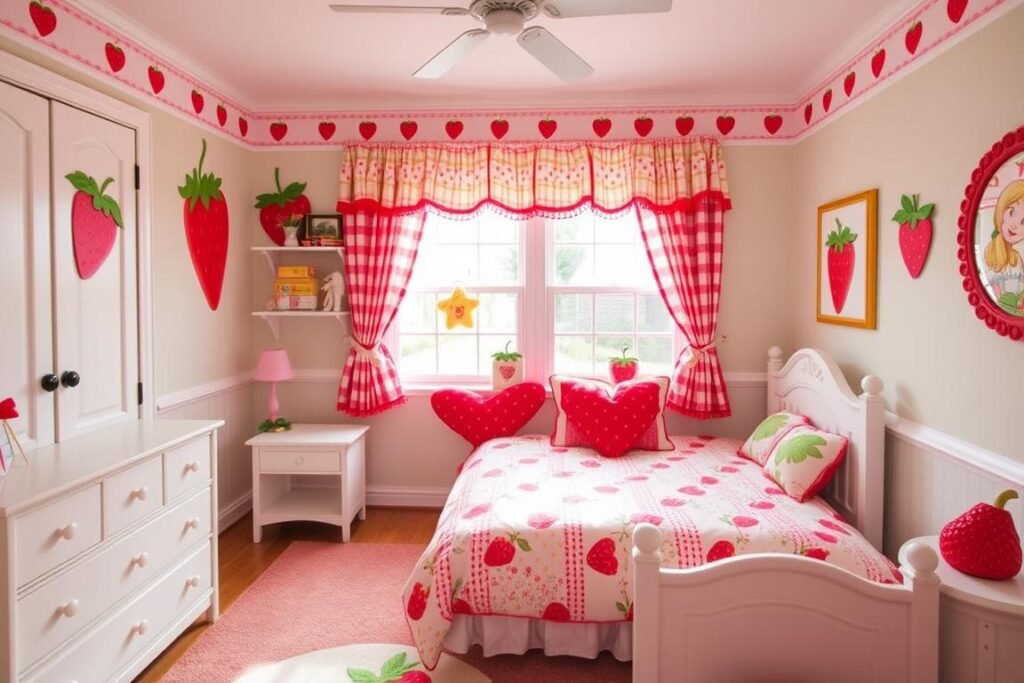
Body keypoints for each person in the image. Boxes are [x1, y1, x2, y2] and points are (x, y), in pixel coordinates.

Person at [983, 179, 1024, 314]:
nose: (1014, 225)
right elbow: (996, 298)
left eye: (1023, 222)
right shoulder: (991, 253)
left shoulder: (1017, 258)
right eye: (1011, 212)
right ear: (1002, 210)